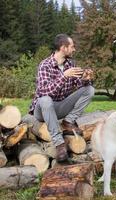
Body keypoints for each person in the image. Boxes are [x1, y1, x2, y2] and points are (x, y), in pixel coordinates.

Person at [29, 34, 94, 163]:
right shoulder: (45, 65)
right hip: (42, 110)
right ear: (63, 48)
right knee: (46, 100)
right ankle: (59, 145)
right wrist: (63, 77)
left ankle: (68, 121)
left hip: (60, 106)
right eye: (72, 47)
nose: (74, 49)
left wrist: (85, 80)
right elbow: (44, 92)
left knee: (90, 89)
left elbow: (78, 85)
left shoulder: (70, 64)